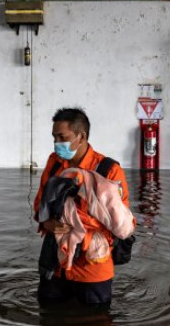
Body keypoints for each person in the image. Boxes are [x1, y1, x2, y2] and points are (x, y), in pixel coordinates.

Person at [33, 107, 132, 309]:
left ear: (81, 136)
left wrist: (78, 229)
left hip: (91, 268)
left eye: (62, 137)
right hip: (56, 263)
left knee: (94, 317)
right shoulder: (54, 163)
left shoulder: (108, 171)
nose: (56, 143)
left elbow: (122, 224)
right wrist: (47, 222)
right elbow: (39, 203)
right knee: (49, 312)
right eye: (54, 137)